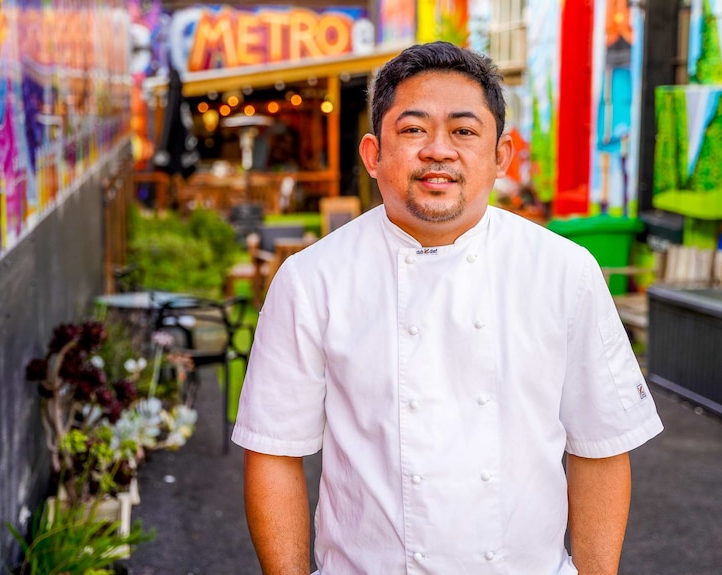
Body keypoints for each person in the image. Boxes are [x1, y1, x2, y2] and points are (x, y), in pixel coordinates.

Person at [232, 41, 663, 575]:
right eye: (413, 130)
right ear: (373, 154)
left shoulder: (564, 272)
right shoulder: (311, 280)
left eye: (464, 131)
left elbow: (599, 446)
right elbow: (274, 452)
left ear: (500, 155)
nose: (439, 150)